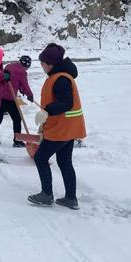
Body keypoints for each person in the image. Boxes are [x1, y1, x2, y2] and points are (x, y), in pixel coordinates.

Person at [28, 44, 86, 210]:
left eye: (43, 62)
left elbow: (66, 103)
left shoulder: (61, 79)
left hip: (61, 129)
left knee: (40, 158)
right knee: (64, 161)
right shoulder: (59, 76)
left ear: (50, 63)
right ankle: (70, 198)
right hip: (68, 128)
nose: (41, 65)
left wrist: (46, 111)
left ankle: (46, 195)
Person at [0, 55, 34, 147]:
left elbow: (14, 81)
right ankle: (17, 141)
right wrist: (30, 95)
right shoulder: (22, 72)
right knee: (17, 119)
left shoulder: (9, 66)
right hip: (10, 98)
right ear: (27, 65)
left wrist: (21, 89)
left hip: (0, 96)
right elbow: (25, 85)